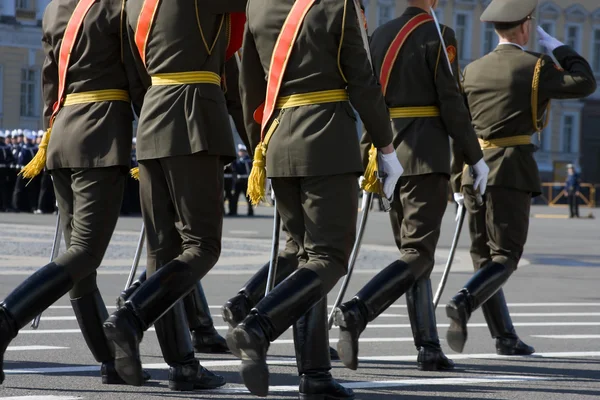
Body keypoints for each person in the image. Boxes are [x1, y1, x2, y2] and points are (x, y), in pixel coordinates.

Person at [229, 0, 402, 397]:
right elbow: (362, 79)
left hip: (277, 142)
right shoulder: (335, 4)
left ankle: (315, 374)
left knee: (306, 260)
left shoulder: (257, 5)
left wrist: (260, 147)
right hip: (325, 140)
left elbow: (248, 86)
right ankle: (259, 326)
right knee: (328, 258)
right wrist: (386, 147)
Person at [333, 0, 487, 372]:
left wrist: (369, 151)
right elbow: (451, 102)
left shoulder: (380, 35)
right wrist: (473, 155)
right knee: (418, 253)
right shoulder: (438, 33)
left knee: (413, 256)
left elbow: (369, 97)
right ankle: (357, 311)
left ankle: (428, 346)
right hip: (426, 155)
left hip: (389, 156)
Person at [102, 1, 247, 391]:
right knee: (202, 245)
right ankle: (132, 316)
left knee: (162, 252)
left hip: (152, 118)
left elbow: (133, 72)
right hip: (194, 115)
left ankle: (182, 363)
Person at [0, 0, 146, 386]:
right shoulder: (119, 8)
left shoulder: (54, 9)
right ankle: (6, 319)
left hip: (61, 136)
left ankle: (110, 360)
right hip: (98, 135)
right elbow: (136, 76)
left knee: (80, 266)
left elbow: (50, 80)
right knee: (85, 252)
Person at [447, 0, 596, 354]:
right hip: (509, 168)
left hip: (473, 171)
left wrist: (457, 179)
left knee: (484, 257)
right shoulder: (536, 66)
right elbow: (585, 81)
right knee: (507, 255)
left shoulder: (473, 70)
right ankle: (464, 301)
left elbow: (460, 128)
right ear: (526, 27)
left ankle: (504, 337)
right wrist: (557, 46)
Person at [229, 144, 253, 216]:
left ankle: (250, 211)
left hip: (246, 180)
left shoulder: (248, 160)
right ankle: (233, 211)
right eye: (240, 151)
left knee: (248, 198)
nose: (241, 153)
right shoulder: (237, 160)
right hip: (238, 181)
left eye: (242, 151)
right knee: (235, 197)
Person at [0, 132, 14, 212]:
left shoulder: (5, 147)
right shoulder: (6, 147)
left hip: (3, 169)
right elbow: (10, 159)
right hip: (4, 169)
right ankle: (4, 205)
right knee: (4, 189)